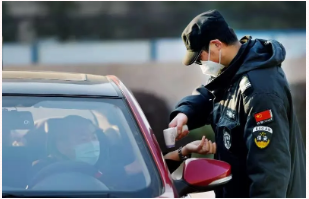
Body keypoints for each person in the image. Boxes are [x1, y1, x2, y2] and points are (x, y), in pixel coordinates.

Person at [168, 10, 306, 198]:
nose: (200, 64)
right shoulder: (234, 70)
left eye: (199, 57)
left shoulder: (259, 90)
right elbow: (209, 94)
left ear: (216, 45)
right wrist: (185, 114)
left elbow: (270, 171)